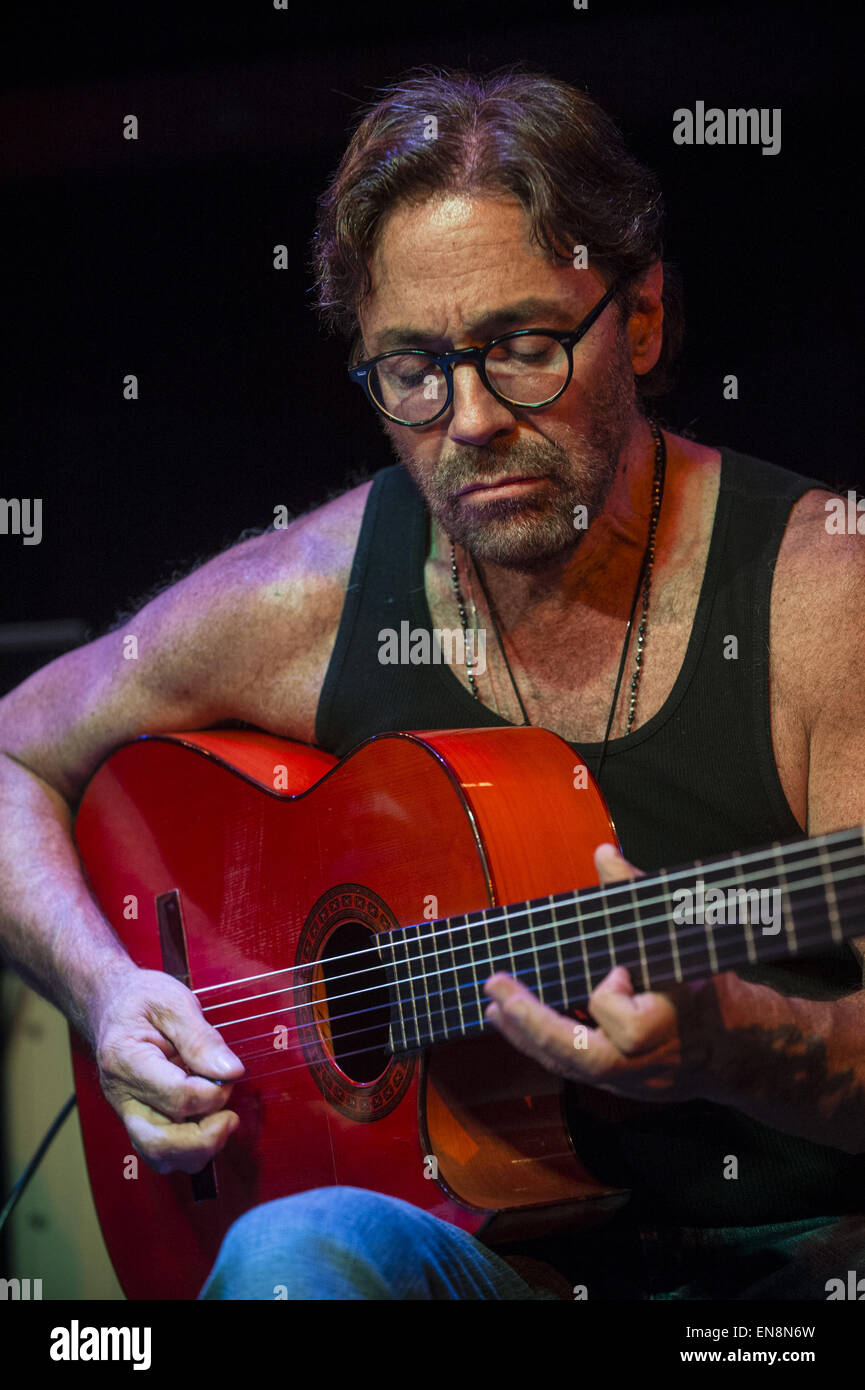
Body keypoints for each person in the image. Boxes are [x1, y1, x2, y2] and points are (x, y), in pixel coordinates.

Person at [1, 68, 864, 1301]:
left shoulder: (824, 595)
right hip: (491, 1264)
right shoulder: (314, 588)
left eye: (521, 347)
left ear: (646, 321)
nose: (465, 420)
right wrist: (106, 993)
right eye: (410, 367)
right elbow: (11, 752)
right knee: (286, 1256)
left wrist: (747, 1047)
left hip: (807, 1258)